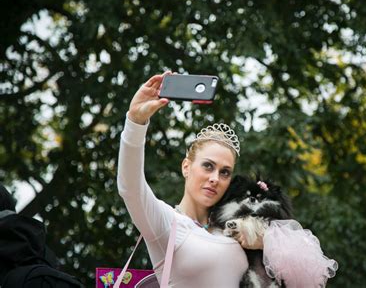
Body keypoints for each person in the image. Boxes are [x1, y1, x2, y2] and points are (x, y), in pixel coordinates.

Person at [117, 72, 337, 287]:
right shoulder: (166, 223)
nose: (215, 178)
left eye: (225, 172)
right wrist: (135, 122)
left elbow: (305, 274)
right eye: (208, 166)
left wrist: (268, 241)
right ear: (186, 167)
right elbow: (131, 189)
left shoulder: (236, 228)